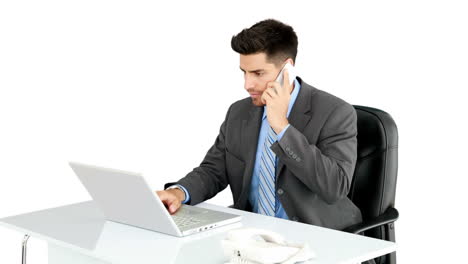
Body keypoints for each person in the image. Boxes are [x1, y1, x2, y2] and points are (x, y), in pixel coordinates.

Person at [156, 19, 362, 230]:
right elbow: (213, 171)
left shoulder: (335, 113)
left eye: (258, 73)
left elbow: (334, 187)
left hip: (319, 235)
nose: (247, 85)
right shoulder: (239, 112)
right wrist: (178, 193)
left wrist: (282, 127)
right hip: (253, 236)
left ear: (287, 70)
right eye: (244, 72)